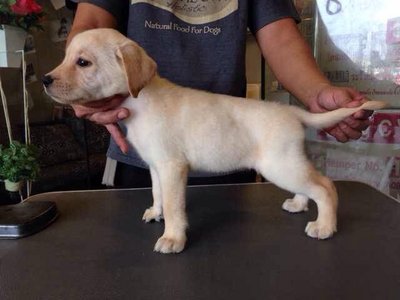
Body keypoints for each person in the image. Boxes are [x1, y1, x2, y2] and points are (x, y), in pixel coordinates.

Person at [67, 0, 372, 188]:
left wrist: (316, 92)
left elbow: (280, 37)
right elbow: (92, 25)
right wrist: (78, 87)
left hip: (227, 146)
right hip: (138, 155)